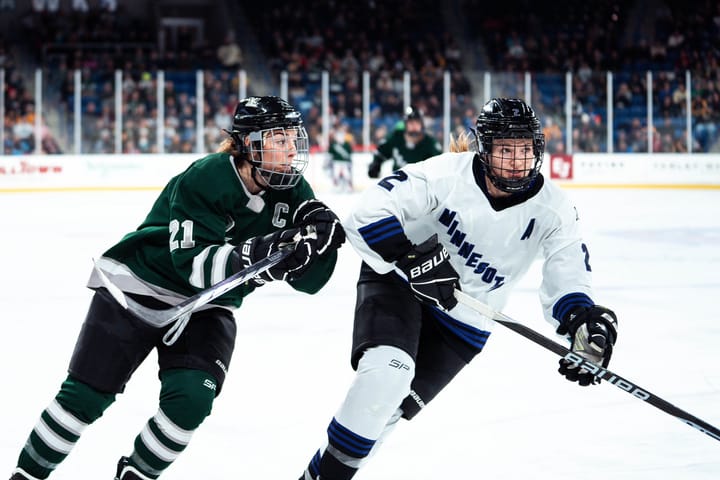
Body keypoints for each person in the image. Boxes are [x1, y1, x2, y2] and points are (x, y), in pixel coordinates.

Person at [9, 96, 346, 480]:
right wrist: (262, 255)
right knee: (85, 396)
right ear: (249, 143)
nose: (292, 150)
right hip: (137, 288)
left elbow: (312, 285)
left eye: (293, 138)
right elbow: (195, 267)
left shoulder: (294, 190)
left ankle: (136, 475)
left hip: (205, 307)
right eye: (280, 139)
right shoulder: (206, 178)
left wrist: (320, 246)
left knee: (191, 401)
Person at [298, 98, 618, 480]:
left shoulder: (554, 209)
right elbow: (368, 213)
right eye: (505, 150)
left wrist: (581, 322)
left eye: (524, 150)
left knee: (386, 413)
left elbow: (566, 273)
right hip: (401, 285)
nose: (517, 161)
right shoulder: (447, 174)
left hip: (466, 322)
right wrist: (412, 260)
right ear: (484, 150)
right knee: (387, 376)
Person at [367, 105, 442, 178]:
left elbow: (440, 165)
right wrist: (376, 164)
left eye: (417, 123)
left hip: (420, 186)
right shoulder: (396, 137)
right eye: (411, 123)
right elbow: (381, 153)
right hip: (397, 184)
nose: (414, 126)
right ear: (405, 124)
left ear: (421, 125)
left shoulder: (430, 143)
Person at [328, 125, 354, 192]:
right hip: (336, 162)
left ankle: (349, 187)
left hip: (345, 163)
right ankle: (336, 186)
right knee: (335, 174)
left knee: (347, 175)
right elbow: (330, 154)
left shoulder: (347, 144)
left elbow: (350, 153)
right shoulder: (333, 144)